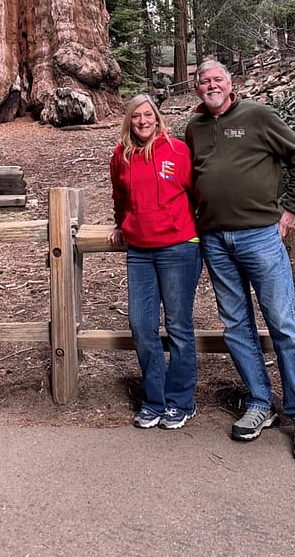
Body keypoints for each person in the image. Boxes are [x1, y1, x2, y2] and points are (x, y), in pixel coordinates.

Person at [185, 59, 295, 462]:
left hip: (260, 236)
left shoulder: (258, 116)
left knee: (282, 323)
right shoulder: (194, 128)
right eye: (203, 81)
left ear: (230, 85)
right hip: (215, 240)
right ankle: (260, 402)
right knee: (235, 326)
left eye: (217, 79)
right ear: (197, 90)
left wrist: (291, 211)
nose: (210, 85)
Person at [109, 93, 202, 430]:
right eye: (136, 117)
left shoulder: (177, 151)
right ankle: (154, 400)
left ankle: (181, 401)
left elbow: (198, 193)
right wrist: (120, 225)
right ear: (129, 121)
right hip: (139, 251)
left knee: (178, 325)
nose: (143, 121)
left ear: (157, 118)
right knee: (141, 325)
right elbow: (120, 197)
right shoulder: (121, 156)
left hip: (179, 246)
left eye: (148, 115)